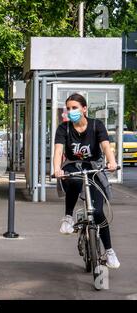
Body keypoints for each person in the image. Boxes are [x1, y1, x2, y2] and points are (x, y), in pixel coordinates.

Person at [53, 93, 120, 269]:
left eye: (74, 108)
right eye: (68, 108)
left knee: (98, 213)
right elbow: (58, 151)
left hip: (93, 167)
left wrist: (111, 161)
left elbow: (105, 145)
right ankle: (68, 217)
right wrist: (57, 169)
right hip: (72, 165)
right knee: (74, 180)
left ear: (84, 109)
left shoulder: (96, 125)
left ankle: (110, 251)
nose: (71, 111)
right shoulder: (64, 128)